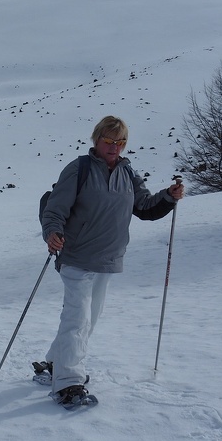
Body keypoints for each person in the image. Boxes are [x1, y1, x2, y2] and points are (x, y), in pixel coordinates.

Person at [39, 115, 184, 408]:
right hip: (77, 255)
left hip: (107, 257)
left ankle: (55, 361)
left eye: (121, 142)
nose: (115, 147)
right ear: (97, 139)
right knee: (77, 317)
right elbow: (55, 208)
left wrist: (168, 197)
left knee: (88, 319)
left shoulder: (128, 172)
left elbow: (143, 207)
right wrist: (52, 232)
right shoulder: (78, 169)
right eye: (109, 140)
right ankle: (68, 382)